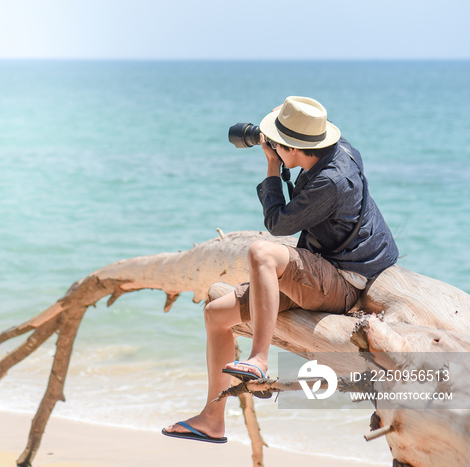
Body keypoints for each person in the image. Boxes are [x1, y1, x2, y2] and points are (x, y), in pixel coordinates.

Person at [162, 96, 399, 443]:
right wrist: (282, 129)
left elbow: (277, 224)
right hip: (323, 263)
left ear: (293, 147)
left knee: (263, 253)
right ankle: (212, 420)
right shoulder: (338, 147)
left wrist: (272, 166)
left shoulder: (331, 180)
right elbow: (304, 128)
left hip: (346, 280)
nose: (270, 146)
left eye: (277, 143)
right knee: (216, 314)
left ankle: (258, 359)